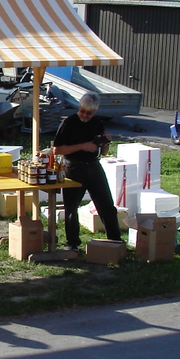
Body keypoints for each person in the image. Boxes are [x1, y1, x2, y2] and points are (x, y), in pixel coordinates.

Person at [52, 92, 122, 253]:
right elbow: (57, 150)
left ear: (95, 111)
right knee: (71, 208)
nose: (84, 115)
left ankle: (115, 240)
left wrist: (105, 142)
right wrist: (82, 146)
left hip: (93, 165)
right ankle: (73, 243)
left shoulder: (97, 123)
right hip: (73, 167)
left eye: (89, 113)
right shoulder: (69, 122)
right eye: (82, 111)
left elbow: (104, 152)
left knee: (106, 204)